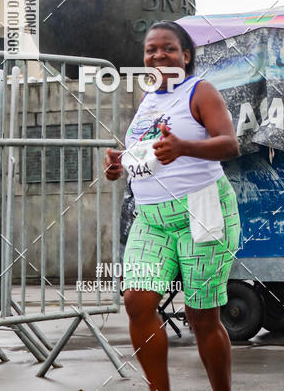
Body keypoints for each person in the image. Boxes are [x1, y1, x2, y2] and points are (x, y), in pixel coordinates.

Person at [104, 20, 240, 391]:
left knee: (201, 316)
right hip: (152, 219)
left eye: (167, 48)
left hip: (202, 211)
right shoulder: (149, 102)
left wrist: (184, 147)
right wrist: (122, 164)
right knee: (137, 301)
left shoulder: (201, 91)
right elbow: (150, 152)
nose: (158, 55)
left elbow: (229, 144)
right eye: (151, 50)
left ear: (186, 55)